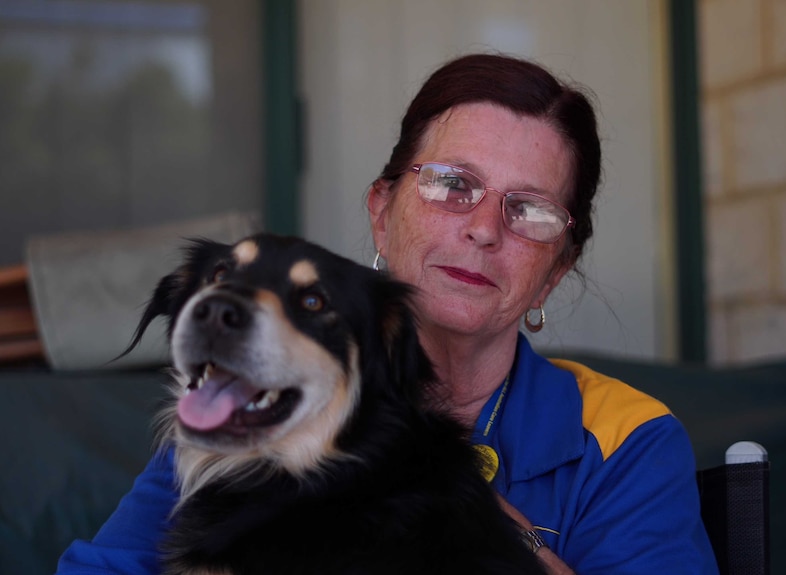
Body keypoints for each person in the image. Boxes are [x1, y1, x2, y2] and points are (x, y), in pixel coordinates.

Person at [57, 53, 718, 574]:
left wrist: (471, 520)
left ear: (556, 271)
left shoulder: (627, 441)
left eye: (530, 210)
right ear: (382, 209)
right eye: (452, 184)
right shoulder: (255, 401)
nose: (485, 228)